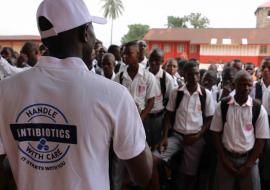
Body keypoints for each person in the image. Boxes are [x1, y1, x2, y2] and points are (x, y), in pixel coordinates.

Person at [0, 1, 153, 190]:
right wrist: (134, 124)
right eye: (93, 32)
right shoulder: (114, 95)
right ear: (85, 32)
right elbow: (143, 175)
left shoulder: (4, 91)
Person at [152, 61, 215, 190]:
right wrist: (164, 137)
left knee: (189, 176)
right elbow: (168, 115)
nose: (194, 77)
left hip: (194, 139)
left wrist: (197, 136)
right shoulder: (177, 92)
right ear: (184, 75)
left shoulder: (206, 94)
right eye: (190, 74)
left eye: (197, 74)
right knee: (153, 160)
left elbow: (210, 119)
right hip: (176, 136)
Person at [211, 70, 270, 190]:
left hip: (249, 159)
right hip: (226, 159)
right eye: (242, 84)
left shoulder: (258, 109)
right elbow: (215, 133)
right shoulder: (222, 106)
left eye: (249, 85)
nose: (246, 88)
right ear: (234, 84)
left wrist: (248, 166)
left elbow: (261, 140)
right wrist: (224, 160)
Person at [146, 48, 174, 149]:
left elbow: (170, 102)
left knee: (157, 146)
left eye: (157, 60)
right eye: (151, 58)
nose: (153, 62)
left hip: (159, 119)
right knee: (143, 145)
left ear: (162, 61)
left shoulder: (167, 79)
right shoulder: (142, 76)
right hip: (144, 117)